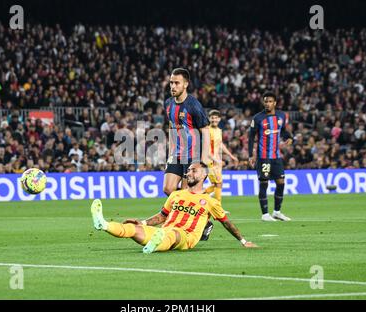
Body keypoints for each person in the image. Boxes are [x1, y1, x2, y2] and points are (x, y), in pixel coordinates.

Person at [90, 162, 258, 253]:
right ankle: (103, 224)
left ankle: (156, 244)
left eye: (193, 170)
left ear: (204, 175)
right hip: (165, 229)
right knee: (133, 229)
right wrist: (142, 222)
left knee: (173, 234)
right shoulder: (176, 195)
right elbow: (161, 216)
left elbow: (226, 223)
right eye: (189, 170)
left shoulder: (210, 202)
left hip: (186, 236)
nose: (189, 173)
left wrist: (243, 241)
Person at [162, 67, 215, 240]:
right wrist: (170, 152)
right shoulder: (168, 103)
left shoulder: (193, 105)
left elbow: (205, 129)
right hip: (177, 153)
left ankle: (193, 225)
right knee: (168, 188)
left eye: (176, 83)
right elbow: (172, 127)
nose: (173, 86)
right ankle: (204, 219)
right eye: (171, 82)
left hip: (193, 154)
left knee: (186, 192)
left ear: (185, 84)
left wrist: (205, 156)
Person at [248, 92, 293, 222]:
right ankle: (265, 214)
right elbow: (251, 137)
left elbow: (283, 130)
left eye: (270, 101)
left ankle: (277, 212)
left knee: (281, 183)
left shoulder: (281, 115)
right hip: (263, 157)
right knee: (264, 183)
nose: (267, 104)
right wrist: (251, 154)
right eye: (266, 101)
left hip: (276, 157)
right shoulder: (257, 118)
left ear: (275, 103)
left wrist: (289, 137)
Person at [204, 109, 239, 206]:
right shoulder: (207, 130)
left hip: (216, 160)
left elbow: (220, 144)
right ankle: (216, 205)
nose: (214, 120)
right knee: (218, 183)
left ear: (219, 119)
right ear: (209, 118)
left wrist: (231, 155)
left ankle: (201, 197)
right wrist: (215, 160)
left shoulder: (219, 130)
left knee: (217, 184)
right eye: (212, 118)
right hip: (209, 160)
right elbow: (205, 148)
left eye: (216, 118)